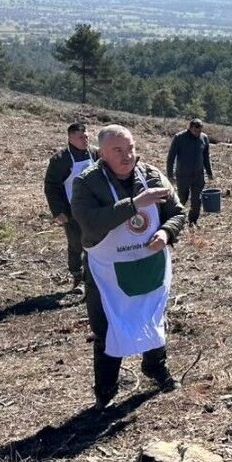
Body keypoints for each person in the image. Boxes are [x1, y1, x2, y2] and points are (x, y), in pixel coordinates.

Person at [72, 124, 185, 408]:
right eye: (118, 150)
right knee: (108, 327)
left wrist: (167, 232)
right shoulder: (87, 183)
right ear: (103, 154)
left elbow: (177, 212)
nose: (127, 156)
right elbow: (89, 223)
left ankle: (155, 366)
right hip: (107, 272)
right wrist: (134, 204)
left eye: (131, 148)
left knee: (153, 316)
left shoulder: (151, 175)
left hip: (149, 265)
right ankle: (106, 390)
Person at [43, 122, 99, 286]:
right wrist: (58, 211)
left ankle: (94, 278)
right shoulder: (61, 160)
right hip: (72, 210)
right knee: (76, 245)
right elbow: (51, 187)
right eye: (81, 137)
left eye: (86, 136)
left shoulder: (96, 153)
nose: (85, 140)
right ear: (70, 139)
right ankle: (77, 277)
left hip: (96, 208)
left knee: (97, 243)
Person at [166, 117, 213, 227]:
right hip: (183, 175)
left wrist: (209, 172)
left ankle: (193, 221)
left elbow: (206, 157)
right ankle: (176, 220)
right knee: (182, 199)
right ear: (190, 128)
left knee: (197, 200)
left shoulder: (204, 138)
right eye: (196, 131)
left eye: (200, 131)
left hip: (198, 175)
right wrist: (170, 175)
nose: (198, 133)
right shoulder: (179, 138)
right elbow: (171, 157)